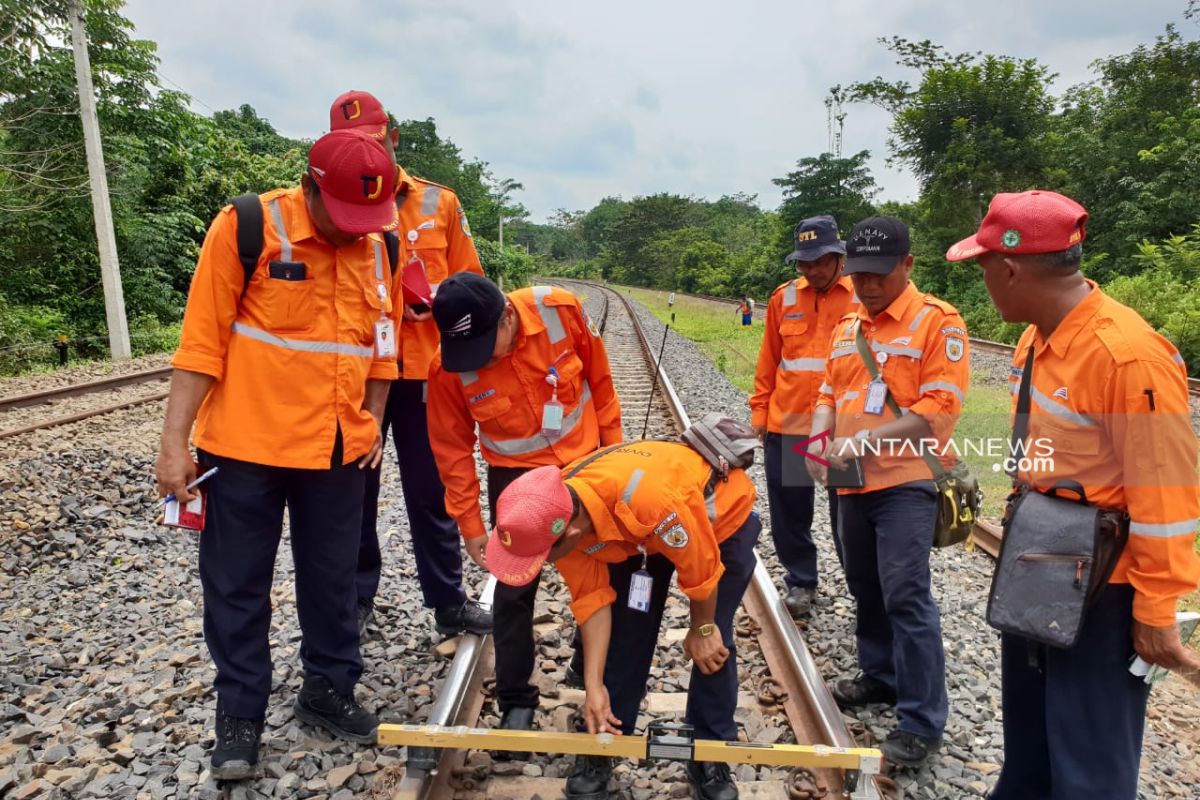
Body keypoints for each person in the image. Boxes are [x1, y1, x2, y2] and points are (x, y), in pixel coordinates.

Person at [154, 129, 403, 779]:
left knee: (335, 580)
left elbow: (384, 347)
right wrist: (173, 445)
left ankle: (328, 688)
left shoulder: (383, 248)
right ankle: (240, 715)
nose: (356, 232)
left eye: (366, 221)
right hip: (244, 447)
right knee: (237, 588)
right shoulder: (247, 226)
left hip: (336, 451)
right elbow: (200, 345)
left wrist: (373, 422)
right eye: (345, 217)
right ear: (311, 187)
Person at [946, 190, 1200, 799]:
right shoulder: (1038, 339)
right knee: (1031, 748)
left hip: (1104, 593)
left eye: (983, 269)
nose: (984, 282)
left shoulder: (1127, 358)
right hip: (1039, 564)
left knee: (1089, 766)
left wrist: (1156, 610)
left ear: (1008, 269)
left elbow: (1166, 495)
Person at [487, 440, 760, 800]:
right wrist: (594, 684)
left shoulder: (651, 502)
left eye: (542, 559)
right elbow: (594, 602)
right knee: (628, 629)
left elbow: (703, 572)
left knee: (713, 644)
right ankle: (604, 743)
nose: (544, 568)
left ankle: (710, 751)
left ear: (569, 536)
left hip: (716, 519)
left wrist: (702, 629)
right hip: (637, 534)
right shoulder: (558, 515)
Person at [805, 216, 969, 767]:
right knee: (864, 584)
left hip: (906, 480)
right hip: (851, 480)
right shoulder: (849, 320)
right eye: (858, 274)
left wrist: (867, 439)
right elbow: (829, 386)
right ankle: (880, 675)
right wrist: (818, 438)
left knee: (905, 591)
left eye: (878, 274)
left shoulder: (936, 322)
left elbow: (940, 410)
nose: (867, 285)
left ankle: (922, 719)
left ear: (908, 265)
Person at [426, 274, 623, 732]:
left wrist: (614, 462)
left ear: (508, 317)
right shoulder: (448, 367)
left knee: (601, 567)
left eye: (483, 343)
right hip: (515, 482)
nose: (479, 358)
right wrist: (471, 525)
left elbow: (603, 385)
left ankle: (590, 663)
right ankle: (516, 700)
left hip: (585, 467)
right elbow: (451, 448)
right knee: (512, 591)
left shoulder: (561, 311)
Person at [328, 90, 490, 640]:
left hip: (425, 371)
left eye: (373, 142)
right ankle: (355, 599)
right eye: (351, 146)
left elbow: (474, 284)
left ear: (393, 138)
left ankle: (447, 600)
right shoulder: (334, 202)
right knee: (357, 490)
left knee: (434, 489)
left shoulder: (438, 203)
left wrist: (438, 300)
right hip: (361, 373)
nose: (366, 154)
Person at [750, 215, 857, 619]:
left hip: (841, 427)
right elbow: (769, 360)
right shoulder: (784, 298)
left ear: (839, 257)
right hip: (790, 423)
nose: (812, 270)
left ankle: (861, 586)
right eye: (804, 262)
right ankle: (801, 581)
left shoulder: (861, 296)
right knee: (791, 511)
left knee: (847, 514)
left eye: (820, 262)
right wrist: (759, 412)